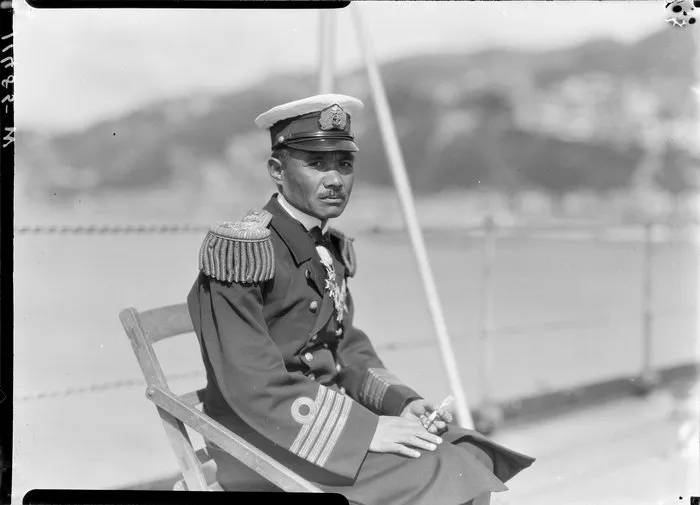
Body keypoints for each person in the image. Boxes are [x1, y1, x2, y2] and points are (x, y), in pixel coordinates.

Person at [187, 94, 534, 505]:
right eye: (316, 164)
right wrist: (369, 432)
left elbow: (344, 348)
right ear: (277, 171)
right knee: (443, 469)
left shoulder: (326, 246)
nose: (335, 179)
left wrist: (401, 404)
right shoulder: (244, 252)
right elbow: (252, 385)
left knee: (470, 451)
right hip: (261, 442)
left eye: (344, 164)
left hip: (323, 426)